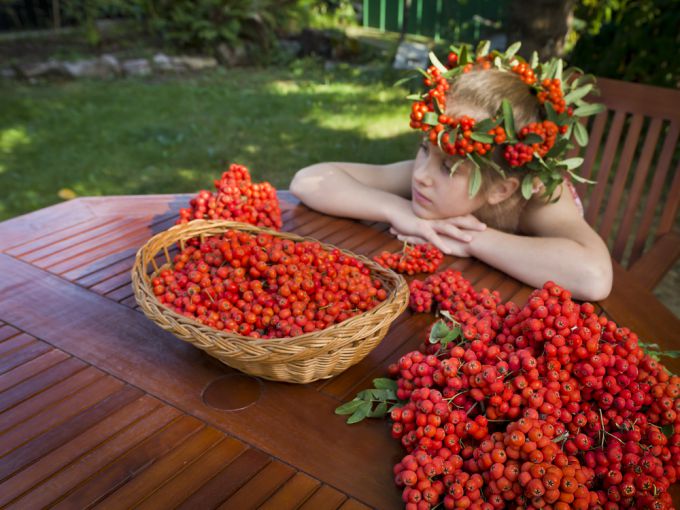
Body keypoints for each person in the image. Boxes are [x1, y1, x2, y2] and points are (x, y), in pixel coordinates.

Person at [290, 42, 613, 301]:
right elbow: (309, 180)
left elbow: (593, 277)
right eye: (423, 149)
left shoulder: (539, 199)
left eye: (449, 166)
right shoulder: (427, 177)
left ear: (501, 190)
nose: (421, 175)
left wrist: (472, 241)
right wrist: (398, 210)